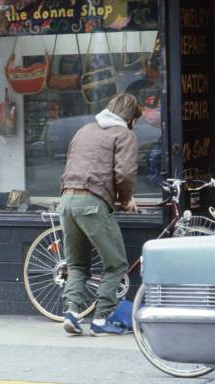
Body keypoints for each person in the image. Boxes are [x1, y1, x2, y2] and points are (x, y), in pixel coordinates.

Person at [59, 93, 141, 336]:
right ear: (131, 118)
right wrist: (126, 199)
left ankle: (72, 313)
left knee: (76, 264)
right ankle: (101, 318)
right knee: (116, 264)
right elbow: (125, 173)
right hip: (92, 203)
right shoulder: (124, 134)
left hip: (66, 200)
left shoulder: (84, 130)